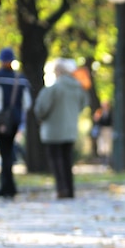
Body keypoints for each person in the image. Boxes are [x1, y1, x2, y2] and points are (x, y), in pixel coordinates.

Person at [0, 47, 32, 199]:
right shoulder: (21, 79)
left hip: (0, 120)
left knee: (4, 152)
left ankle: (6, 186)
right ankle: (9, 186)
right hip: (15, 119)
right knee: (8, 151)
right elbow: (27, 103)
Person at [34, 58, 88, 199]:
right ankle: (70, 189)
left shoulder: (54, 88)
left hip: (53, 130)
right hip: (70, 129)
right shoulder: (78, 88)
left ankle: (61, 188)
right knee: (67, 161)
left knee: (55, 160)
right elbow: (83, 105)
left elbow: (41, 108)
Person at [93, 100, 113, 165]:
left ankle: (107, 163)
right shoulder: (99, 112)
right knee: (101, 147)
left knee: (107, 147)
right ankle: (103, 162)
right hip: (101, 131)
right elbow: (96, 121)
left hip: (108, 131)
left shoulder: (110, 113)